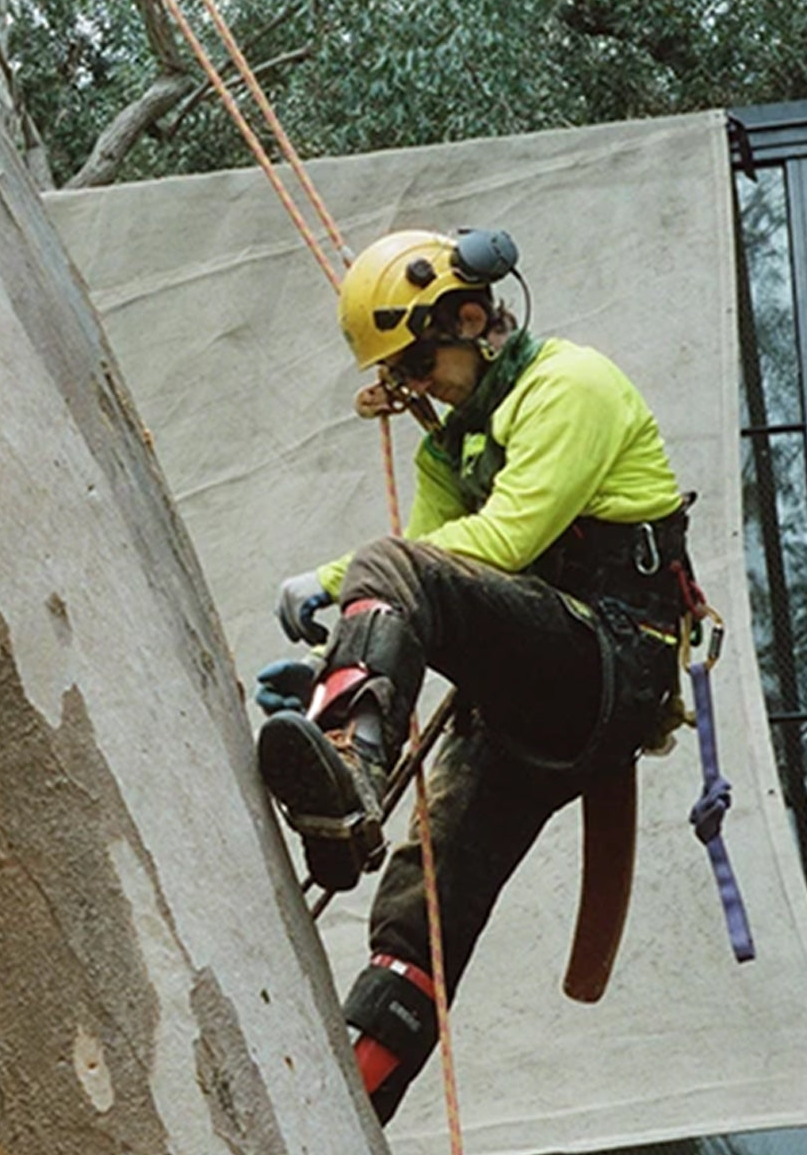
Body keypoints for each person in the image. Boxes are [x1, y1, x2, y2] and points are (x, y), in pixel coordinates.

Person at [255, 228, 694, 1124]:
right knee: (421, 914)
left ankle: (349, 763)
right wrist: (329, 664)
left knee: (392, 565)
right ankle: (342, 1117)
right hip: (525, 694)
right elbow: (429, 597)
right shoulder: (449, 451)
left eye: (420, 361)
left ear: (471, 317)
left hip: (611, 660)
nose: (415, 386)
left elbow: (492, 550)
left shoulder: (569, 385)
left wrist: (337, 580)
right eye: (404, 372)